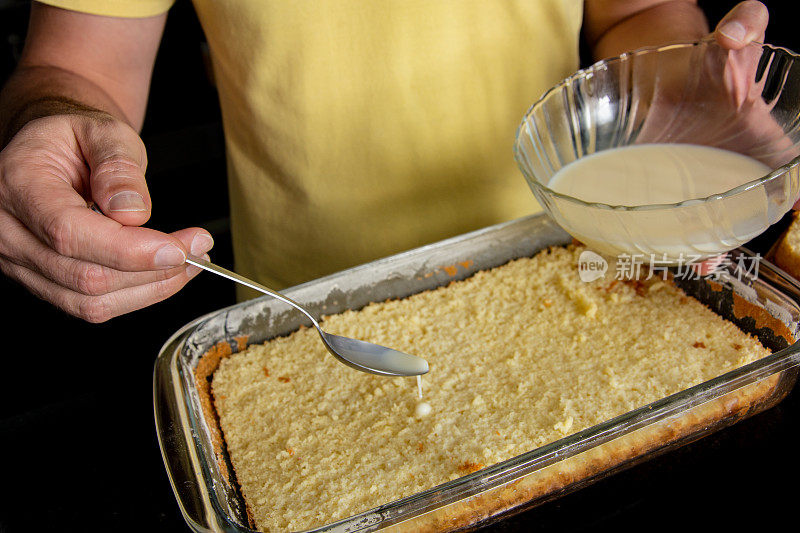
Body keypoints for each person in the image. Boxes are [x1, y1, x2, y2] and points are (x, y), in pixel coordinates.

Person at [0, 1, 769, 322]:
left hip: (579, 271)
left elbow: (636, 12)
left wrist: (677, 91)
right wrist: (53, 123)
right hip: (310, 313)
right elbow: (80, 67)